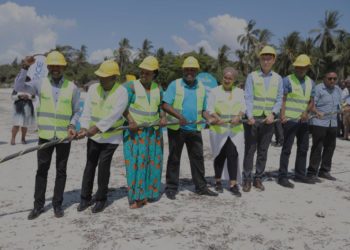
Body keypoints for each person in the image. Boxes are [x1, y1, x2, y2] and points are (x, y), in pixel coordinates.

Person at [86, 56, 166, 209]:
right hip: (135, 132)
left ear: (154, 74)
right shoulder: (130, 86)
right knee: (136, 164)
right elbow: (121, 106)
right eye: (142, 72)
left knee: (153, 163)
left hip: (153, 132)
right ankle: (137, 197)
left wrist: (163, 117)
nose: (143, 75)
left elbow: (160, 106)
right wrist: (131, 121)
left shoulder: (158, 88)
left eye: (148, 73)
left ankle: (149, 194)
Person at [14, 51, 80, 219]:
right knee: (42, 170)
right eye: (53, 66)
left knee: (61, 171)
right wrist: (24, 67)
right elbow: (19, 87)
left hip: (64, 136)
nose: (56, 68)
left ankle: (57, 205)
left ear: (63, 67)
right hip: (45, 135)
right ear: (48, 67)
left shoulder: (72, 87)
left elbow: (77, 111)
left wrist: (72, 125)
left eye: (59, 65)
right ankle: (38, 206)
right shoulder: (39, 83)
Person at [162, 56, 218, 200]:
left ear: (197, 71)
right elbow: (165, 104)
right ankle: (171, 188)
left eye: (193, 70)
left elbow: (203, 109)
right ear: (183, 70)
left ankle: (201, 187)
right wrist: (179, 116)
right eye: (187, 69)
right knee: (174, 158)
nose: (190, 72)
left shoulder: (201, 88)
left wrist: (209, 118)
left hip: (195, 128)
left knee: (198, 159)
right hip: (177, 129)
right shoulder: (175, 85)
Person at [76, 60, 124, 213]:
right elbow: (87, 111)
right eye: (100, 77)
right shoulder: (93, 89)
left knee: (103, 167)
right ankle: (85, 198)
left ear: (114, 78)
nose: (102, 80)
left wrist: (96, 128)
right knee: (90, 165)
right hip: (93, 137)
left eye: (105, 77)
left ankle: (101, 199)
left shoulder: (121, 92)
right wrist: (84, 127)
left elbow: (113, 115)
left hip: (111, 138)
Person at [242, 45, 283, 192]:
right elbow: (248, 97)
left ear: (273, 60)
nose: (266, 61)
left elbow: (279, 99)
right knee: (249, 150)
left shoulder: (278, 79)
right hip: (253, 120)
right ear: (260, 60)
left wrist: (273, 114)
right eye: (263, 58)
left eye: (269, 59)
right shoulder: (252, 76)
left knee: (263, 151)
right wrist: (250, 116)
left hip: (269, 120)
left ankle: (258, 178)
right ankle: (246, 179)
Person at [277, 54, 316, 188]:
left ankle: (299, 175)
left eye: (303, 67)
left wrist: (307, 111)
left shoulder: (311, 82)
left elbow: (311, 101)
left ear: (307, 68)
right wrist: (282, 115)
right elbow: (283, 99)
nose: (300, 69)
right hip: (290, 120)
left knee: (303, 148)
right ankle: (282, 176)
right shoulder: (287, 80)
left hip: (304, 121)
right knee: (287, 149)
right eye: (298, 67)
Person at [208, 67, 245, 197]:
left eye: (230, 78)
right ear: (222, 77)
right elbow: (210, 108)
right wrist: (217, 119)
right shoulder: (214, 91)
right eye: (225, 77)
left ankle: (233, 184)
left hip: (235, 130)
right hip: (219, 130)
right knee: (219, 155)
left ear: (234, 80)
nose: (227, 80)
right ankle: (218, 181)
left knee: (233, 155)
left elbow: (243, 108)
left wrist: (239, 116)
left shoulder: (240, 92)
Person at [307, 70, 343, 181]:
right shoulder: (318, 89)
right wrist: (317, 112)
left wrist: (342, 109)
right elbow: (311, 106)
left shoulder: (338, 90)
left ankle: (324, 171)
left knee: (330, 147)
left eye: (334, 79)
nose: (332, 81)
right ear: (324, 78)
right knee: (317, 147)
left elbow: (340, 105)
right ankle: (312, 172)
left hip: (333, 123)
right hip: (319, 123)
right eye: (330, 78)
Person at [10, 77, 36, 145]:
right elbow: (12, 97)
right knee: (16, 124)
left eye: (27, 81)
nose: (26, 82)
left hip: (27, 108)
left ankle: (23, 139)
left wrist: (28, 97)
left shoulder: (31, 88)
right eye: (24, 80)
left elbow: (34, 98)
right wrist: (19, 96)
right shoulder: (17, 87)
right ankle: (13, 138)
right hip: (17, 109)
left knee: (25, 125)